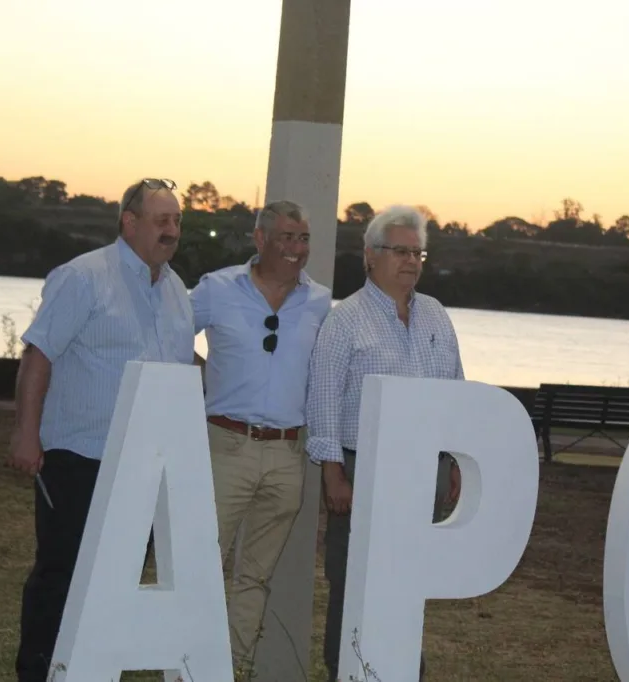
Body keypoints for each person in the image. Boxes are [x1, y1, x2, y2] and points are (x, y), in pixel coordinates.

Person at [8, 178, 195, 682]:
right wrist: (27, 433)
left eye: (177, 221)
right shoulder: (84, 277)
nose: (172, 230)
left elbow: (177, 367)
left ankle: (92, 670)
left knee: (121, 581)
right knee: (63, 575)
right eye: (161, 220)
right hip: (80, 459)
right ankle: (40, 673)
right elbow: (38, 355)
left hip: (146, 464)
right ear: (129, 222)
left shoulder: (176, 290)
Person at [304, 204, 463, 682]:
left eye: (418, 253)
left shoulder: (436, 315)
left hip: (425, 471)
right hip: (362, 470)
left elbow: (456, 390)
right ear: (370, 256)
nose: (411, 261)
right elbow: (323, 397)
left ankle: (404, 670)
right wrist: (333, 472)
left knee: (409, 580)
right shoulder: (345, 320)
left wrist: (457, 459)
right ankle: (345, 671)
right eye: (400, 251)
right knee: (353, 580)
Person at [189, 199, 332, 675]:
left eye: (303, 238)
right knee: (201, 566)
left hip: (288, 455)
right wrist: (203, 375)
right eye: (287, 237)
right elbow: (167, 334)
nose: (297, 248)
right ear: (260, 239)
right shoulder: (217, 289)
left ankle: (233, 668)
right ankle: (190, 666)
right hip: (225, 447)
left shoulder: (320, 301)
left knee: (255, 577)